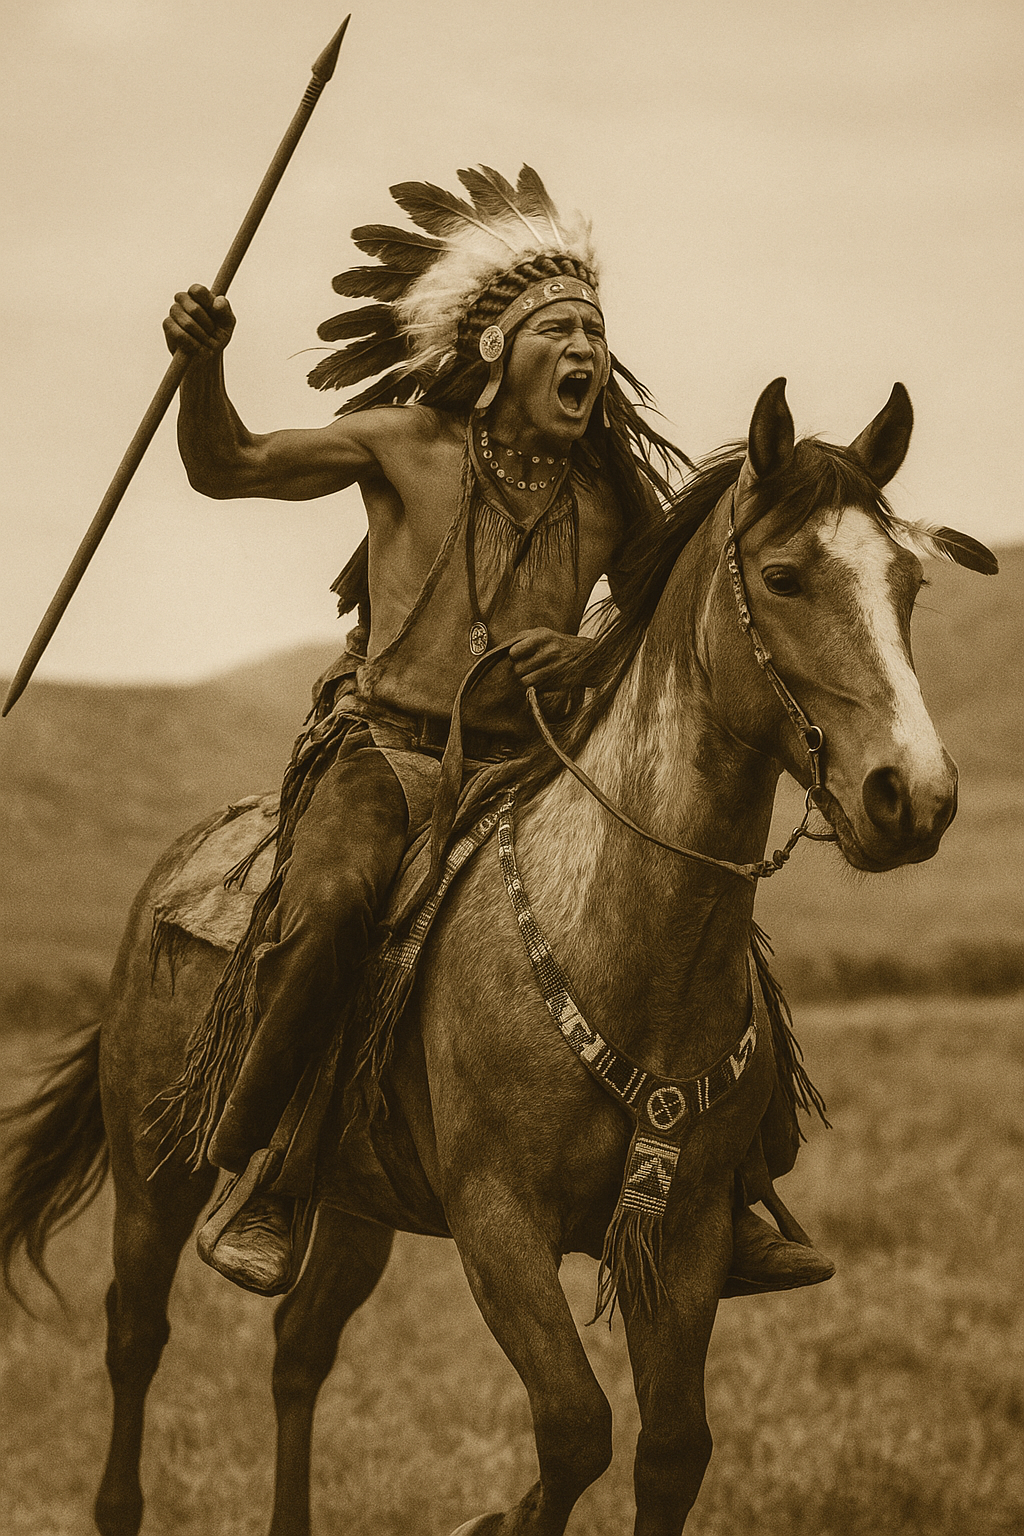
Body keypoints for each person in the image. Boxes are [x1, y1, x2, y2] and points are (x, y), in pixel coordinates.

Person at [162, 165, 833, 1299]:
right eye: (560, 329)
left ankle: (737, 1187)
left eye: (594, 331)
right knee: (332, 903)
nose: (585, 350)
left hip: (528, 768)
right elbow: (224, 465)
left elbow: (658, 626)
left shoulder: (605, 496)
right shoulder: (401, 445)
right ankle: (265, 1173)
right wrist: (203, 364)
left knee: (693, 907)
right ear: (496, 353)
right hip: (380, 750)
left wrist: (583, 657)